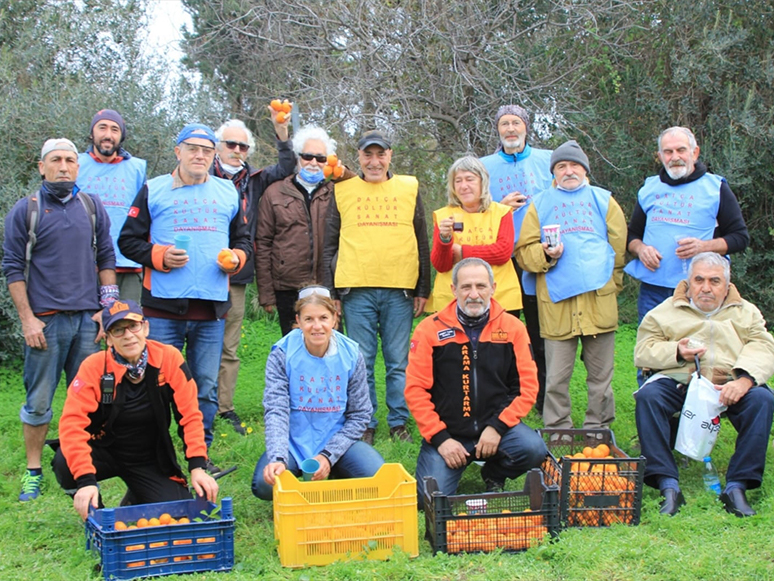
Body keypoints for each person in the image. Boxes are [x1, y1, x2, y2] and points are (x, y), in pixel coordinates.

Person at [118, 123, 252, 472]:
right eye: (193, 149)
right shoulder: (154, 189)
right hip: (162, 310)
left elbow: (245, 241)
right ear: (178, 151)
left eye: (207, 151)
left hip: (211, 311)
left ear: (214, 155)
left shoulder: (227, 193)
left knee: (204, 387)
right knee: (156, 386)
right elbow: (127, 241)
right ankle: (156, 458)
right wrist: (158, 256)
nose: (200, 156)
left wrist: (237, 259)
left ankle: (200, 456)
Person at [2, 138, 116, 502]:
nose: (63, 166)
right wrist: (28, 320)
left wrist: (107, 309)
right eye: (55, 160)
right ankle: (33, 471)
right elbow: (12, 268)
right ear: (42, 166)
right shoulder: (26, 211)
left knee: (88, 400)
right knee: (38, 401)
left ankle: (81, 468)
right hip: (45, 324)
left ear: (78, 167)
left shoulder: (91, 206)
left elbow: (106, 258)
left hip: (87, 321)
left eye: (69, 160)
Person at [634, 252, 774, 517]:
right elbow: (643, 350)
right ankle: (667, 484)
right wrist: (677, 350)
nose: (706, 288)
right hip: (682, 381)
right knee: (649, 397)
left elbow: (763, 345)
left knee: (762, 400)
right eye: (699, 280)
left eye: (714, 281)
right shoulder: (665, 311)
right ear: (689, 282)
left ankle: (737, 486)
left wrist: (744, 379)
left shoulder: (745, 312)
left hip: (730, 383)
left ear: (727, 285)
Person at [53, 300, 219, 519]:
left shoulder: (168, 358)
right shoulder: (92, 367)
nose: (128, 335)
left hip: (148, 457)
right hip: (103, 451)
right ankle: (95, 514)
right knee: (64, 461)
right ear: (108, 338)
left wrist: (197, 465)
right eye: (118, 330)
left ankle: (137, 496)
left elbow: (190, 416)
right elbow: (72, 425)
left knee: (179, 513)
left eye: (133, 326)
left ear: (146, 328)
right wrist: (85, 480)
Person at [406, 258, 546, 508]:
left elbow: (527, 388)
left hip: (497, 430)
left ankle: (493, 472)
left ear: (493, 288)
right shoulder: (428, 330)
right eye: (466, 287)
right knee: (428, 501)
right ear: (453, 290)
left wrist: (498, 427)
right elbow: (416, 391)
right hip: (449, 433)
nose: (474, 294)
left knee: (534, 450)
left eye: (481, 286)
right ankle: (450, 461)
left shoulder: (513, 328)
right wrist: (441, 439)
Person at [321, 130, 431, 444]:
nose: (374, 161)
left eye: (380, 154)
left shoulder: (408, 187)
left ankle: (398, 423)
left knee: (398, 362)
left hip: (400, 289)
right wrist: (331, 293)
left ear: (390, 156)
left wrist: (423, 287)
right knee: (362, 361)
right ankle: (365, 423)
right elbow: (330, 244)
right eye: (367, 155)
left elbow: (422, 240)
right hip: (356, 290)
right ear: (358, 157)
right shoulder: (343, 190)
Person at [515, 140, 626, 432]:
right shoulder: (539, 204)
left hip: (598, 304)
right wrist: (546, 256)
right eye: (561, 166)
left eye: (574, 165)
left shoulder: (604, 201)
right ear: (554, 173)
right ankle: (558, 431)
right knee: (556, 378)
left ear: (585, 170)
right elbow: (523, 252)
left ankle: (597, 429)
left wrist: (611, 287)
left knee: (601, 377)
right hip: (557, 305)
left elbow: (618, 250)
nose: (568, 171)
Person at [252, 286, 385, 500]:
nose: (317, 326)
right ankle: (299, 467)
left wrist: (328, 456)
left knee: (377, 478)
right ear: (298, 320)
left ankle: (333, 467)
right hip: (293, 441)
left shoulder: (351, 354)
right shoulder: (282, 353)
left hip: (338, 439)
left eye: (323, 317)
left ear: (334, 318)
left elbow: (360, 414)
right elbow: (276, 409)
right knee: (264, 486)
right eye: (309, 319)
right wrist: (277, 456)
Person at [213, 114, 295, 435]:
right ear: (218, 147)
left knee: (229, 346)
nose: (236, 150)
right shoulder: (202, 174)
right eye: (230, 144)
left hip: (236, 275)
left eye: (242, 146)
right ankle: (190, 407)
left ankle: (224, 408)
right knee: (193, 342)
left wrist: (282, 133)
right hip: (196, 274)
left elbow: (287, 167)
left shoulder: (257, 180)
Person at [625, 126, 749, 324]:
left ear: (695, 152)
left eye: (681, 150)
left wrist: (704, 247)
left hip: (700, 290)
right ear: (660, 156)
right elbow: (631, 236)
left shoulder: (716, 188)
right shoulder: (649, 189)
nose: (675, 157)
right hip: (654, 291)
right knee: (651, 351)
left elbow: (740, 238)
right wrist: (641, 249)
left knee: (698, 351)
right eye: (668, 152)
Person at [481, 105, 553, 412]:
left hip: (538, 258)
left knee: (540, 332)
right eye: (504, 124)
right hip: (500, 259)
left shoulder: (547, 160)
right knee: (502, 330)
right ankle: (503, 394)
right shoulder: (484, 166)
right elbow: (474, 209)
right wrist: (500, 205)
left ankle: (541, 396)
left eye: (516, 123)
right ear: (497, 130)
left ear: (526, 127)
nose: (510, 129)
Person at [256, 125, 351, 336]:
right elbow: (262, 244)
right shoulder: (274, 193)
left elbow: (361, 187)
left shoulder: (339, 192)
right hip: (288, 288)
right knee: (294, 350)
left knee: (331, 346)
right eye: (308, 156)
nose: (314, 163)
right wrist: (266, 293)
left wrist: (343, 174)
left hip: (329, 287)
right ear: (298, 157)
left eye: (321, 158)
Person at [425, 156, 522, 315]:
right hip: (453, 301)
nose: (464, 186)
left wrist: (461, 252)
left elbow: (502, 252)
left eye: (470, 179)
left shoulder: (502, 212)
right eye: (458, 181)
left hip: (500, 299)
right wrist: (445, 240)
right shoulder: (444, 216)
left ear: (482, 182)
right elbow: (441, 265)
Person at [76, 109, 147, 303]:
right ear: (92, 133)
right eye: (102, 128)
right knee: (86, 330)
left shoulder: (137, 168)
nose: (108, 135)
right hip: (83, 265)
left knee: (127, 329)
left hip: (127, 264)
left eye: (115, 129)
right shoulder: (75, 164)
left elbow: (145, 215)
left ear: (121, 136)